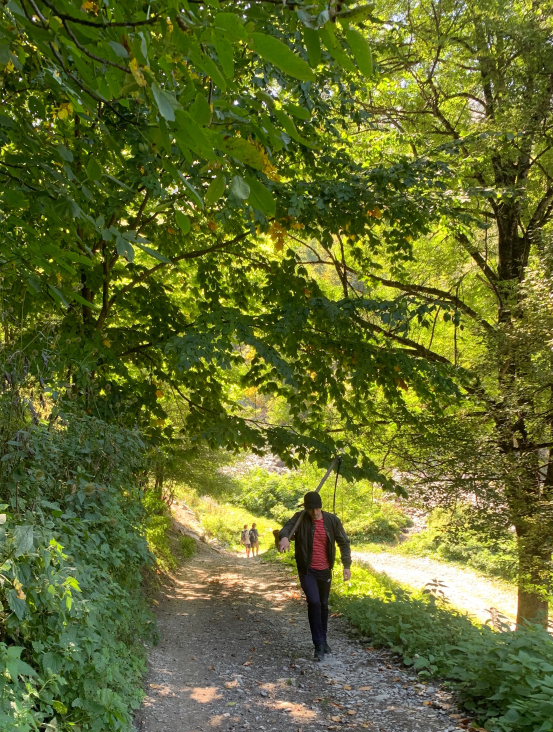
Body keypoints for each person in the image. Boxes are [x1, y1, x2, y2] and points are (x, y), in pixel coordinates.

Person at [278, 491, 351, 662]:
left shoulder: (332, 520)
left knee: (324, 605)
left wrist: (346, 565)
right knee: (314, 602)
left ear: (321, 507)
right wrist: (284, 538)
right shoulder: (300, 517)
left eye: (317, 509)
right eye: (311, 510)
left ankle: (323, 641)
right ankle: (318, 645)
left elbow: (343, 542)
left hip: (325, 570)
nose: (314, 513)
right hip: (307, 570)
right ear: (307, 509)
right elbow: (286, 529)